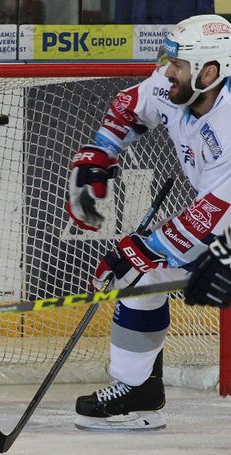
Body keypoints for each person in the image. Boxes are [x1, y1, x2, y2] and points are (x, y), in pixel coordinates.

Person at [66, 14, 231, 431]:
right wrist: (102, 151)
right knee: (144, 274)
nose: (167, 72)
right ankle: (136, 386)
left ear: (211, 72)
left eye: (178, 65)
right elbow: (130, 105)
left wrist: (145, 248)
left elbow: (215, 213)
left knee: (145, 260)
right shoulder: (176, 86)